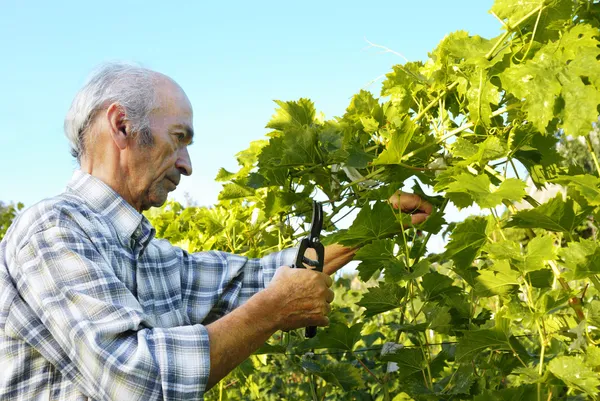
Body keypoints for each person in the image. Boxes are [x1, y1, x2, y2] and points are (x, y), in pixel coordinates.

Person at [0, 63, 433, 400]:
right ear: (121, 126)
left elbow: (256, 279)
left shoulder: (143, 253)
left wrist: (375, 228)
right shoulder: (54, 229)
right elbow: (135, 382)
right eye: (179, 137)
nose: (187, 164)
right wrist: (272, 312)